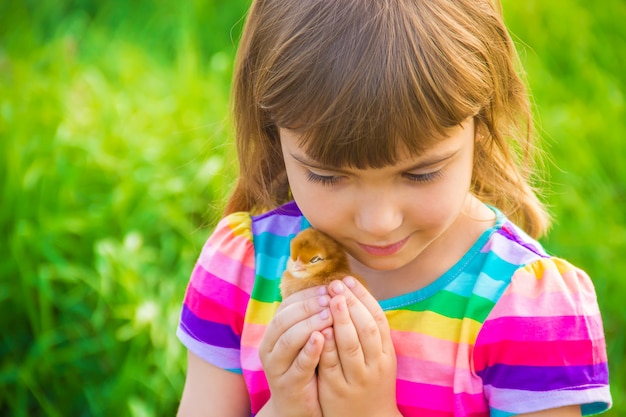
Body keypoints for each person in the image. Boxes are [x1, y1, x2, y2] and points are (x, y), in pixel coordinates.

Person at [175, 0, 612, 416]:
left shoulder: (525, 312)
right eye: (328, 176)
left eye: (420, 174)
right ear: (275, 135)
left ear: (480, 125)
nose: (379, 222)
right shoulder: (241, 270)